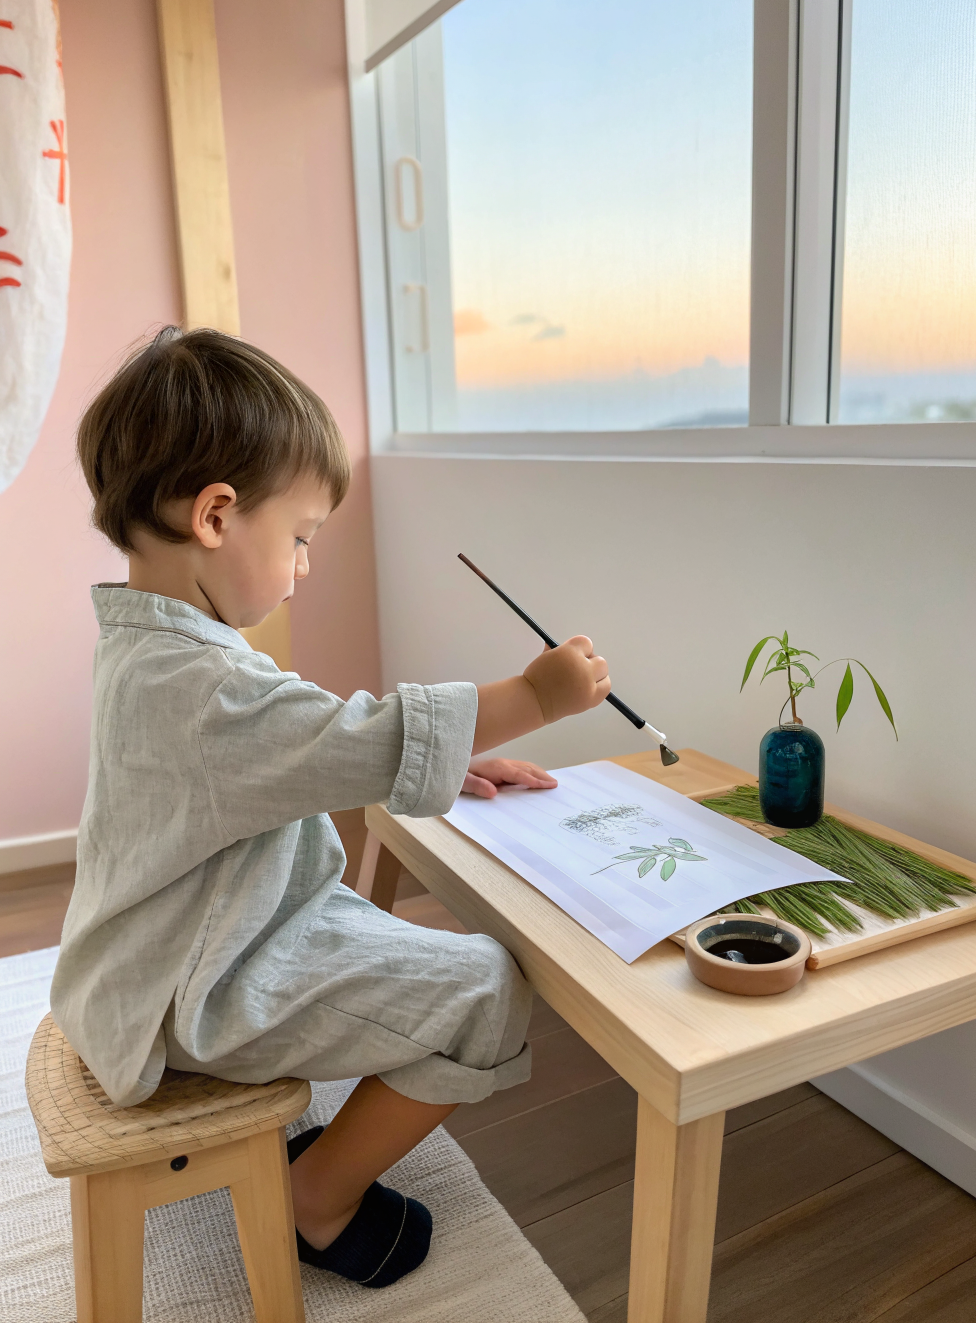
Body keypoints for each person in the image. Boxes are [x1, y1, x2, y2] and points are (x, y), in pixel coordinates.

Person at [51, 327, 611, 1288]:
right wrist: (539, 695)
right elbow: (342, 733)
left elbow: (294, 752)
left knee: (401, 938)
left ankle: (314, 1174)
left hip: (159, 949)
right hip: (194, 986)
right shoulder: (201, 683)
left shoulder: (152, 646)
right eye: (301, 539)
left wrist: (448, 761)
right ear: (218, 515)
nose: (305, 565)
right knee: (486, 984)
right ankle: (317, 1201)